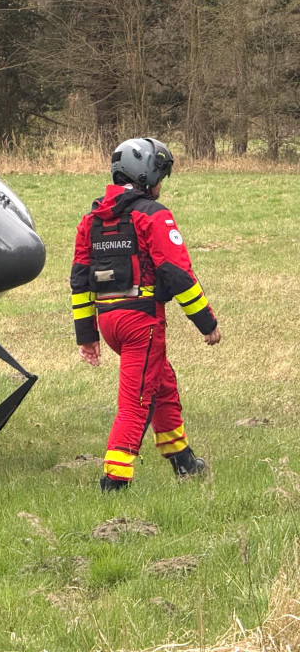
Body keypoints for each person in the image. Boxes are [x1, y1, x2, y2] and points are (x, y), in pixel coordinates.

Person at [70, 137, 221, 492]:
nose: (161, 184)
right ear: (147, 175)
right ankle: (114, 482)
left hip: (109, 323)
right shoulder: (152, 215)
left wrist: (87, 336)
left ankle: (183, 459)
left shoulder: (91, 220)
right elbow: (177, 273)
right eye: (160, 176)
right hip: (142, 323)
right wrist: (207, 323)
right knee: (136, 401)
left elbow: (79, 282)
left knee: (162, 383)